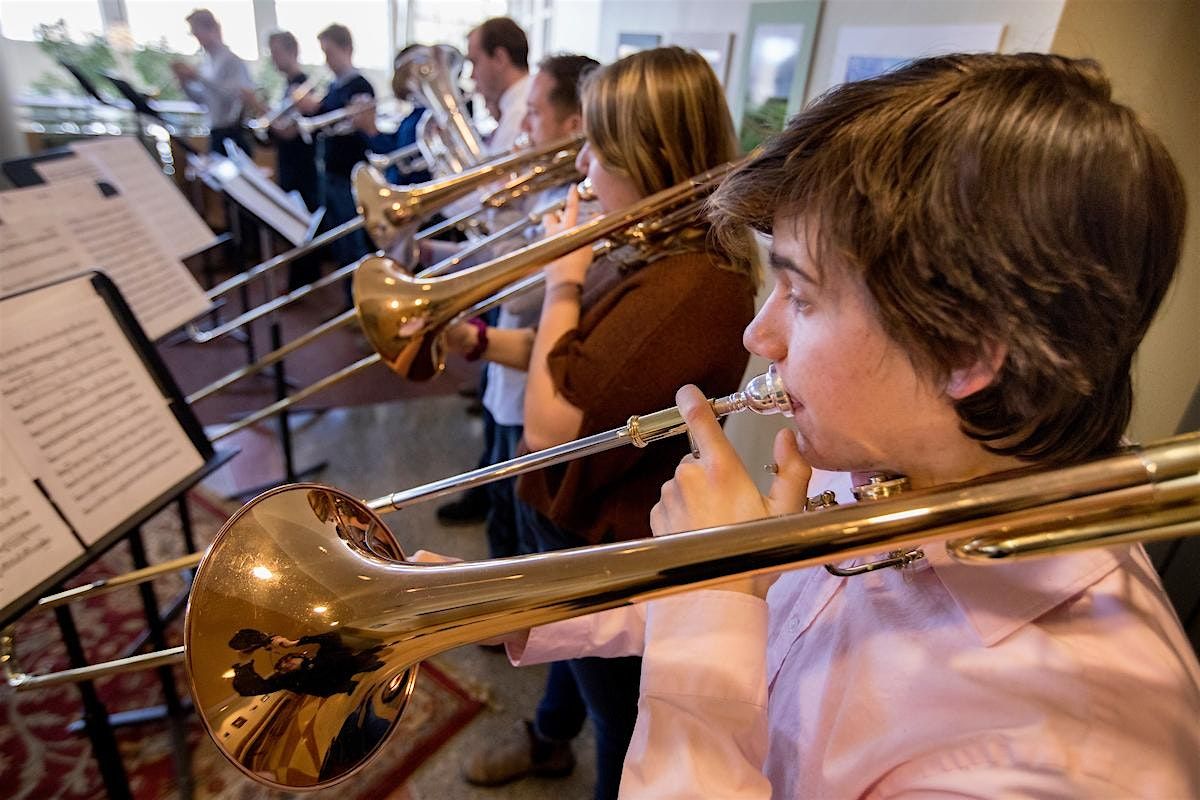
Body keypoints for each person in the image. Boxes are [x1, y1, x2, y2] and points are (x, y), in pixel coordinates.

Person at [491, 53, 1200, 796]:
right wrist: (503, 605)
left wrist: (709, 607)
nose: (758, 338)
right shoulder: (889, 452)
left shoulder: (1068, 759)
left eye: (800, 295)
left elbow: (718, 620)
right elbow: (757, 617)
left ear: (963, 348)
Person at [458, 47, 760, 800]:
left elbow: (551, 424)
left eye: (596, 147)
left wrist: (562, 276)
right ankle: (550, 740)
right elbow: (579, 362)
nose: (583, 165)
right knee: (574, 668)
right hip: (566, 515)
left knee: (621, 719)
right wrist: (475, 341)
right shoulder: (649, 246)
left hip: (604, 533)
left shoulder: (694, 285)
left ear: (645, 157)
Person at [443, 53, 598, 563]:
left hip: (531, 376)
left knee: (516, 511)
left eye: (533, 113)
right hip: (506, 367)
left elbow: (520, 292)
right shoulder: (547, 187)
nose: (523, 125)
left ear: (572, 125)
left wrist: (498, 212)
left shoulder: (578, 200)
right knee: (495, 483)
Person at [435, 16, 534, 526]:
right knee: (498, 404)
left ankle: (492, 501)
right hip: (509, 280)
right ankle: (487, 493)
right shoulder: (514, 111)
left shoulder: (524, 113)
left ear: (500, 57)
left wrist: (450, 190)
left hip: (519, 287)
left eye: (474, 59)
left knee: (506, 423)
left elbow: (496, 210)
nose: (470, 72)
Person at [297, 23, 374, 276]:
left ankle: (359, 292)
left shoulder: (360, 85)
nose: (326, 60)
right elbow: (325, 127)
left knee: (353, 239)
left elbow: (353, 127)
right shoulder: (333, 86)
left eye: (329, 52)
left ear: (347, 49)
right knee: (339, 241)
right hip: (329, 172)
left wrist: (317, 111)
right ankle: (347, 294)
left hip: (349, 173)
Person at [252, 29, 321, 288]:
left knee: (300, 222)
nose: (273, 59)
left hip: (301, 166)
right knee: (295, 222)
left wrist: (259, 107)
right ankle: (301, 279)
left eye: (276, 53)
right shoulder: (288, 86)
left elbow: (287, 130)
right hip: (290, 163)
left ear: (292, 52)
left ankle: (303, 281)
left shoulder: (300, 86)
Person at [172, 8, 255, 156]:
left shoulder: (231, 60)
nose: (196, 37)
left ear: (212, 29)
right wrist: (185, 84)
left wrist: (198, 77)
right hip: (215, 131)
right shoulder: (206, 63)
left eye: (197, 31)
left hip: (233, 132)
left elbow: (235, 96)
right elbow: (203, 100)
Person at [466, 16, 532, 154]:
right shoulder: (516, 103)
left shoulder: (520, 110)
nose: (471, 76)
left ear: (499, 58)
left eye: (475, 62)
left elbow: (494, 174)